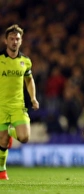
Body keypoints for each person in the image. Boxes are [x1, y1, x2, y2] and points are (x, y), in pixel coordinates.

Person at [0, 24, 39, 180]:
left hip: (18, 105)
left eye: (17, 39)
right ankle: (2, 171)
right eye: (11, 39)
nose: (14, 41)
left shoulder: (25, 61)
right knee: (1, 141)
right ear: (5, 41)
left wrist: (33, 98)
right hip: (1, 106)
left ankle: (11, 131)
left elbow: (29, 80)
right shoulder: (0, 59)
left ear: (21, 41)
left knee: (24, 137)